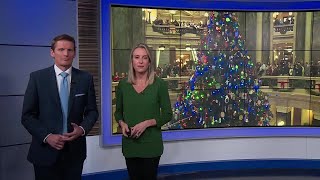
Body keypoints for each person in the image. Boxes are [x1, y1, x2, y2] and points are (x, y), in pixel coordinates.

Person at [21, 34, 99, 180]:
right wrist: (47, 136)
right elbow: (27, 116)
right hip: (44, 152)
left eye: (70, 50)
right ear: (52, 52)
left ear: (74, 53)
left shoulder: (85, 79)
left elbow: (92, 112)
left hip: (74, 152)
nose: (65, 54)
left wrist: (81, 130)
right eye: (61, 49)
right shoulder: (37, 78)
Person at [114, 43, 173, 180]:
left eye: (144, 58)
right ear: (132, 61)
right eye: (137, 57)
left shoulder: (159, 85)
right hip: (130, 145)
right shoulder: (123, 85)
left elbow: (167, 114)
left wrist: (147, 123)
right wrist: (122, 123)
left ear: (149, 62)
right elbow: (118, 113)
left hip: (151, 145)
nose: (140, 61)